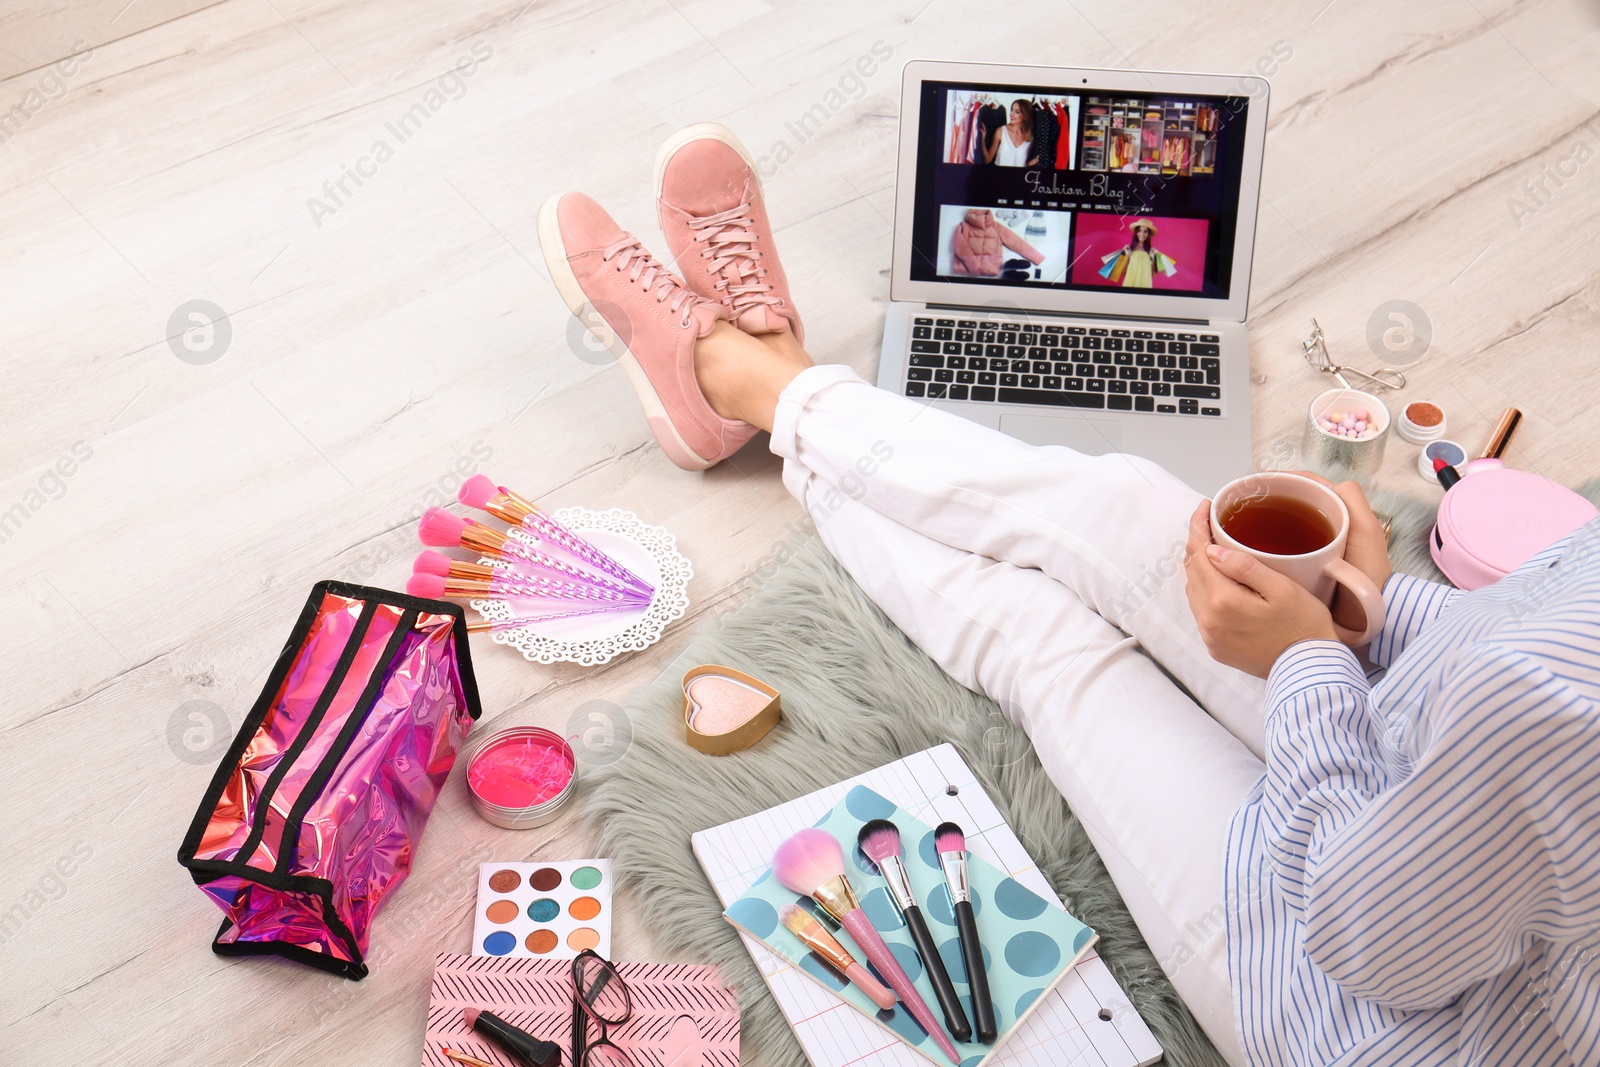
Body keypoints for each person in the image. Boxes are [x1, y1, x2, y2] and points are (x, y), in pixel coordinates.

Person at [536, 122, 1600, 1067]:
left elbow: (1374, 940)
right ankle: (770, 387)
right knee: (1120, 501)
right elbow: (1527, 630)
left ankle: (739, 378)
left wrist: (1300, 663)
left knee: (1049, 648)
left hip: (1375, 997)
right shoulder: (1541, 703)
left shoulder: (1552, 718)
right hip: (1450, 764)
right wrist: (1367, 608)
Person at [1099, 218, 1177, 289]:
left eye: (1145, 231)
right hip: (1129, 284)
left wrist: (1153, 258)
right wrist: (1127, 255)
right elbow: (1124, 272)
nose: (1142, 234)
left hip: (1145, 285)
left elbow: (1153, 274)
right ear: (1136, 232)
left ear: (1149, 234)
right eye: (1139, 231)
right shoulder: (1129, 249)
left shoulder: (1152, 251)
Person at [983, 98, 1035, 167]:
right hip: (1000, 176)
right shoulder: (1001, 131)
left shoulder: (1030, 137)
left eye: (1017, 112)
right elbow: (987, 160)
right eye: (1011, 110)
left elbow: (1023, 164)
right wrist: (982, 139)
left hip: (1019, 177)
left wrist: (1033, 162)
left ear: (1025, 116)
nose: (1011, 114)